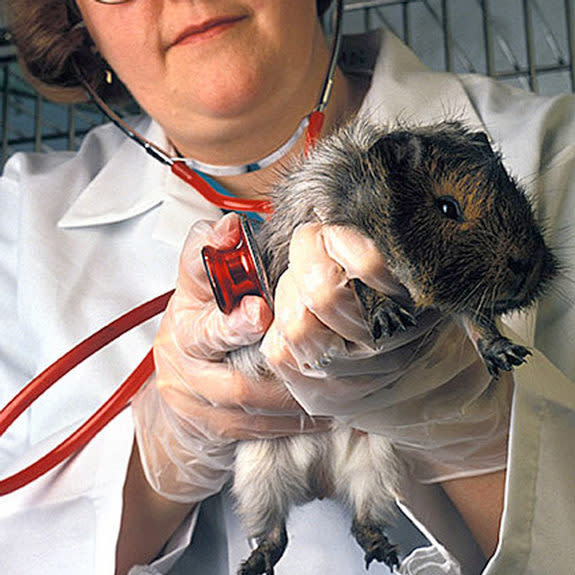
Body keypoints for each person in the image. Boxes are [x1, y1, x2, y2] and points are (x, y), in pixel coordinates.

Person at [0, 1, 574, 574]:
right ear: (73, 18)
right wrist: (155, 467)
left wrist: (483, 438)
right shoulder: (21, 219)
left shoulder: (558, 147)